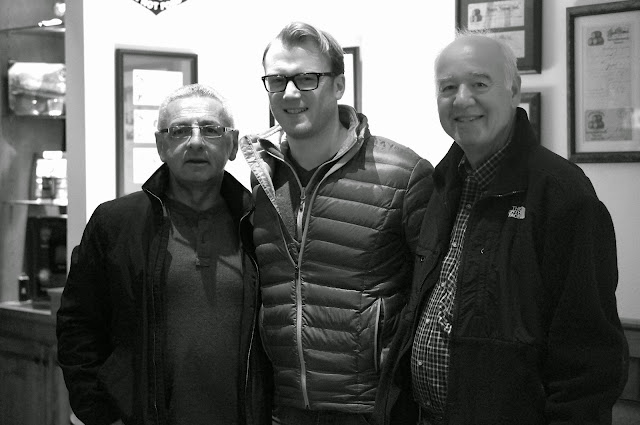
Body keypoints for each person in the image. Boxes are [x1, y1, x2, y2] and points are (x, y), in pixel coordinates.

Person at [375, 32, 629, 424]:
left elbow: (589, 356)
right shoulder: (442, 183)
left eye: (479, 84)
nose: (462, 99)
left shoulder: (562, 195)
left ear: (513, 90)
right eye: (448, 87)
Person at [239, 21, 434, 425]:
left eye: (307, 78)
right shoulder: (262, 178)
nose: (290, 93)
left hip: (371, 409)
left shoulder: (402, 173)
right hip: (284, 407)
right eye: (277, 80)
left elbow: (432, 296)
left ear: (339, 85)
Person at [56, 84, 271, 425]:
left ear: (232, 144)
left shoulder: (261, 224)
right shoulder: (116, 222)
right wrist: (100, 414)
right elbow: (78, 325)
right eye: (179, 130)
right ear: (161, 146)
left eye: (211, 129)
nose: (196, 142)